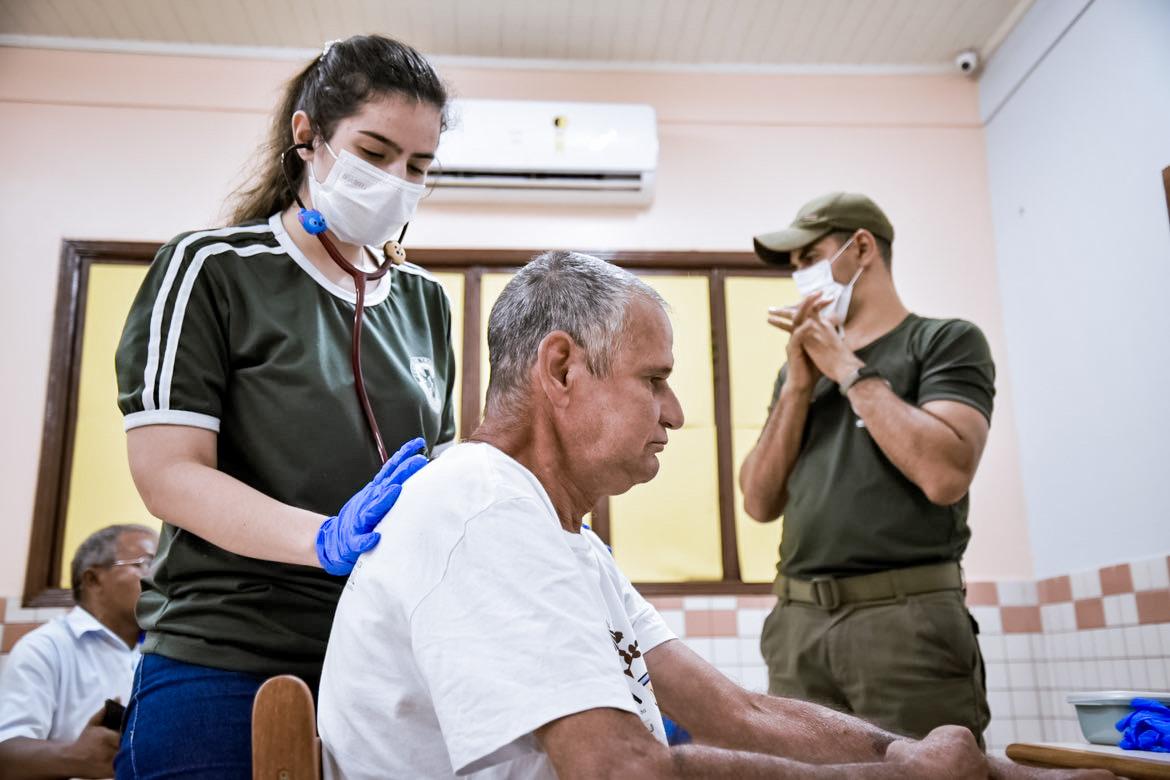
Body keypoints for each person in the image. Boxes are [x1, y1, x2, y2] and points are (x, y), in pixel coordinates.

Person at [317, 251, 1109, 780]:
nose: (678, 411)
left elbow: (735, 712)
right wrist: (900, 775)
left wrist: (912, 752)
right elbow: (622, 770)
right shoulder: (482, 510)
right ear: (561, 368)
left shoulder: (561, 535)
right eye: (653, 379)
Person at [112, 35, 454, 778]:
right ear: (308, 135)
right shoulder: (212, 269)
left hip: (378, 666)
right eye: (375, 151)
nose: (397, 180)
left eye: (419, 166)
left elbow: (439, 477)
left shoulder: (424, 302)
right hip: (226, 660)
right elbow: (168, 473)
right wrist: (323, 537)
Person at [739, 191, 996, 745]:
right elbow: (758, 502)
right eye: (793, 267)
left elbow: (946, 475)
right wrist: (801, 385)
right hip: (798, 624)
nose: (801, 276)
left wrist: (847, 369)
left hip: (905, 622)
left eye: (809, 258)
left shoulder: (944, 341)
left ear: (860, 249)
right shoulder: (797, 375)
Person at [0, 524, 157, 780]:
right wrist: (74, 756)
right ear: (93, 580)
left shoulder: (159, 652)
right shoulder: (46, 648)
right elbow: (5, 756)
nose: (159, 577)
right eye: (146, 562)